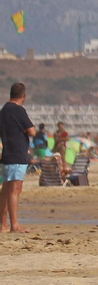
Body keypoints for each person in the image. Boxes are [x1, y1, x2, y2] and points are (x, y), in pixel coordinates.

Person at [2, 83, 37, 233]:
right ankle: (14, 224)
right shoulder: (18, 110)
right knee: (14, 189)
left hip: (7, 153)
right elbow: (33, 131)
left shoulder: (3, 110)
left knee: (6, 189)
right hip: (17, 153)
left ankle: (3, 224)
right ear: (23, 95)